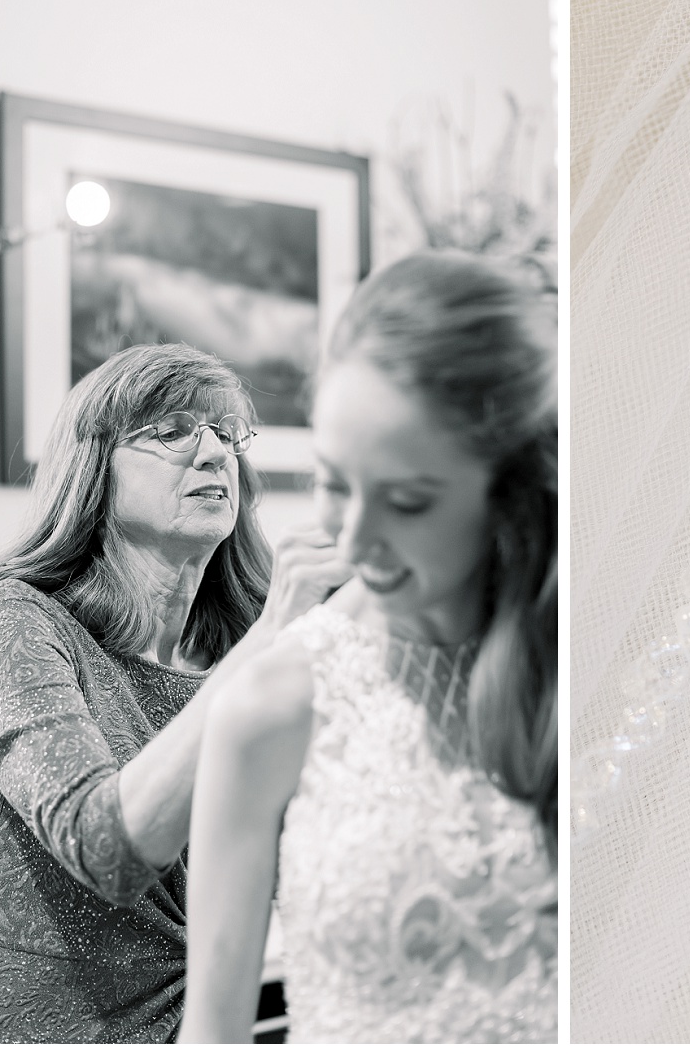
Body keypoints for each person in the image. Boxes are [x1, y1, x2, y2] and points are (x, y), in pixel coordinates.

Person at [0, 343, 349, 1043]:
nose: (214, 455)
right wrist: (271, 642)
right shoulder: (19, 620)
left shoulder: (250, 645)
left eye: (228, 435)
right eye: (172, 432)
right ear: (94, 472)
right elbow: (106, 847)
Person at [179, 251, 558, 1043]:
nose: (354, 539)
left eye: (408, 501)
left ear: (514, 491)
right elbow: (210, 1035)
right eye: (333, 482)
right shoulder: (274, 705)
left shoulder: (579, 658)